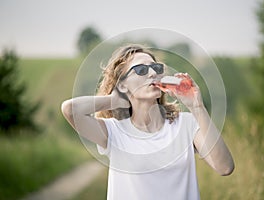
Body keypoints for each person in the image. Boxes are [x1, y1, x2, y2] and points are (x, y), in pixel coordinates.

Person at [61, 44, 234, 200]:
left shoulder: (186, 124)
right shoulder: (114, 132)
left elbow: (225, 167)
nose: (152, 73)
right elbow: (70, 110)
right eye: (141, 70)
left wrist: (197, 107)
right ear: (122, 84)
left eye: (156, 68)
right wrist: (114, 100)